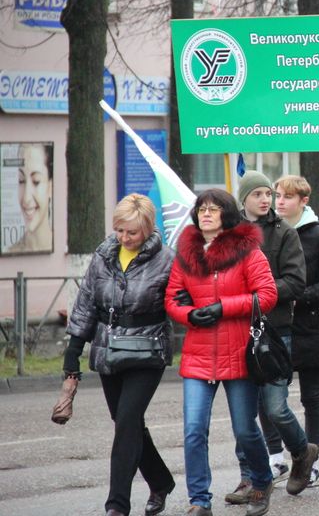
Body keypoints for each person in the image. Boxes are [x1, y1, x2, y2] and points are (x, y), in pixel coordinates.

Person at [165, 189, 278, 516]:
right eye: (202, 209)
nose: (206, 214)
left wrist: (223, 308)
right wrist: (188, 315)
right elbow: (172, 297)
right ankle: (199, 500)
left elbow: (267, 296)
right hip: (198, 356)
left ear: (227, 215)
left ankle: (261, 480)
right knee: (193, 430)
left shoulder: (248, 252)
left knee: (245, 429)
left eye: (213, 209)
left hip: (239, 352)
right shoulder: (186, 254)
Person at [63, 194, 175, 516]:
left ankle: (117, 506)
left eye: (132, 233)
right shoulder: (104, 255)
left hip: (147, 350)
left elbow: (180, 304)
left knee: (126, 421)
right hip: (109, 349)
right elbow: (86, 304)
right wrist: (73, 352)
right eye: (119, 231)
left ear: (148, 229)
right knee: (128, 423)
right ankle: (161, 481)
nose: (124, 238)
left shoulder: (167, 259)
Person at [224, 171, 316, 505]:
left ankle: (301, 451)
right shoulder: (230, 235)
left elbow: (295, 282)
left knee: (276, 408)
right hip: (238, 333)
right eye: (258, 194)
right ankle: (250, 478)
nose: (266, 200)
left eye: (269, 194)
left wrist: (256, 295)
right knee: (243, 413)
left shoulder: (285, 233)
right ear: (243, 199)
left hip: (276, 332)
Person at [274, 174, 319, 488]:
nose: (280, 201)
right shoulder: (269, 232)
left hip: (308, 325)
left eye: (287, 196)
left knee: (310, 397)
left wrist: (301, 295)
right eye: (277, 195)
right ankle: (277, 457)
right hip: (274, 326)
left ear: (303, 201)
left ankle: (310, 461)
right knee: (271, 396)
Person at [9, 142, 53, 253]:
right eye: (21, 180)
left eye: (36, 181)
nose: (26, 198)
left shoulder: (65, 247)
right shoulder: (11, 252)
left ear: (51, 187)